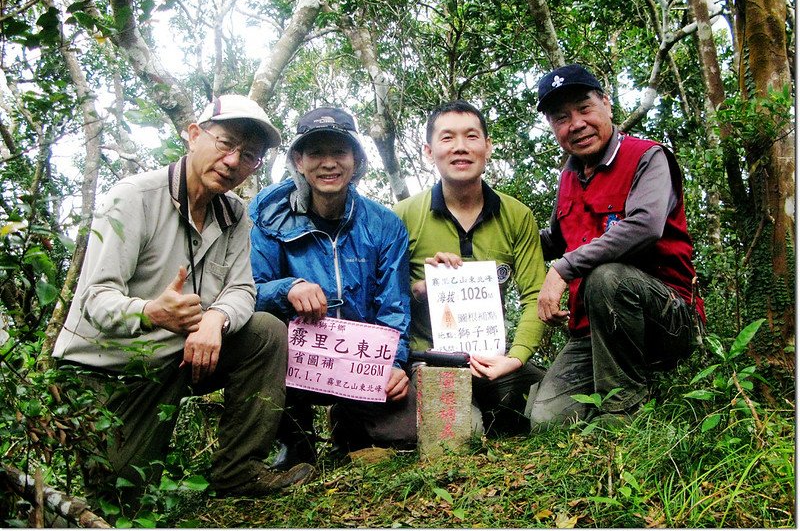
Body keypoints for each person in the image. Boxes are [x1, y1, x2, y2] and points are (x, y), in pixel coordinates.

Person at [52, 95, 314, 510]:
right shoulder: (135, 198)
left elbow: (242, 288)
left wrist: (216, 320)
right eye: (225, 144)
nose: (232, 161)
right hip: (111, 371)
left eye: (248, 156)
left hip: (180, 356)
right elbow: (94, 300)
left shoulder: (233, 214)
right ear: (194, 135)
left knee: (265, 332)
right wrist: (149, 311)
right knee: (124, 501)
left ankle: (238, 470)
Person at [529, 63, 706, 426]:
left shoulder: (647, 156)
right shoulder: (569, 177)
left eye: (584, 108)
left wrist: (563, 268)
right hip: (595, 327)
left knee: (606, 277)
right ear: (553, 128)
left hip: (666, 315)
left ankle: (623, 413)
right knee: (547, 421)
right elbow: (555, 240)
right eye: (561, 118)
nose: (575, 123)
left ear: (607, 104)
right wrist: (501, 239)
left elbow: (645, 226)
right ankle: (630, 388)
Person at [249, 106, 412, 469]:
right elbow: (248, 292)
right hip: (294, 364)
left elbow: (393, 306)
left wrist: (395, 363)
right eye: (316, 153)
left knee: (406, 433)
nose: (328, 163)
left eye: (339, 152)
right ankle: (295, 439)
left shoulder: (384, 225)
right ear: (298, 161)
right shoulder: (267, 216)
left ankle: (350, 422)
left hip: (360, 365)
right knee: (262, 330)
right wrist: (287, 288)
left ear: (355, 159)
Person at [393, 100, 547, 436]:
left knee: (549, 412)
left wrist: (516, 357)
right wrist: (419, 289)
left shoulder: (516, 215)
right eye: (447, 138)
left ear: (488, 147)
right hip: (428, 360)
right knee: (467, 431)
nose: (461, 147)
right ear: (429, 151)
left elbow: (536, 294)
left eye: (471, 137)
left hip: (493, 360)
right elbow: (382, 298)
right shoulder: (402, 216)